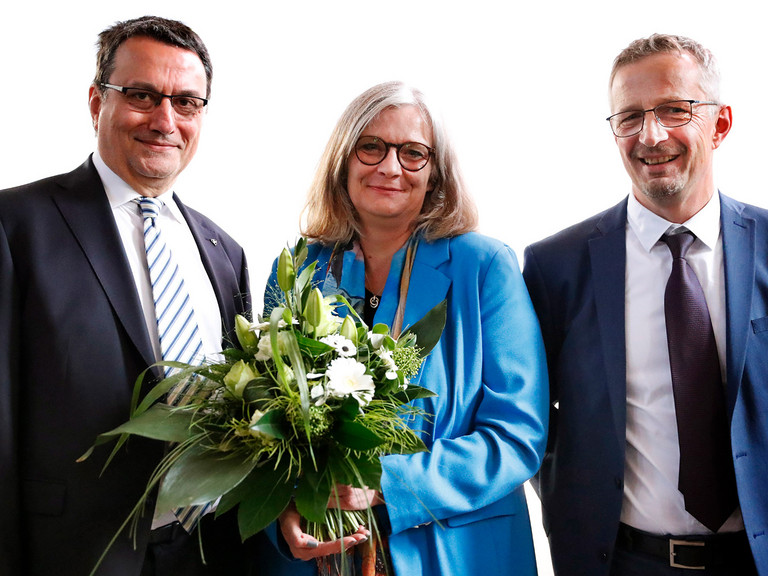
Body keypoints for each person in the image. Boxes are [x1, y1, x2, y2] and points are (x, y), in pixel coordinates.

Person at [259, 81, 549, 576]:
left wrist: (384, 483)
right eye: (371, 147)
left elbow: (518, 434)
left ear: (435, 174)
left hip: (458, 553)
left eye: (413, 153)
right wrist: (282, 512)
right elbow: (264, 426)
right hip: (319, 555)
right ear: (343, 160)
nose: (389, 167)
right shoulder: (299, 266)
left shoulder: (484, 267)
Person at [0, 16, 255, 576]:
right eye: (142, 95)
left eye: (187, 102)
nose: (165, 120)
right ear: (97, 102)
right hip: (72, 554)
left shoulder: (225, 253)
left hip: (211, 553)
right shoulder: (15, 226)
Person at [523, 33, 768, 576]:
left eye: (674, 110)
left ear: (721, 124)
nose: (650, 135)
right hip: (622, 561)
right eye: (629, 117)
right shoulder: (555, 267)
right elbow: (528, 420)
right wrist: (573, 504)